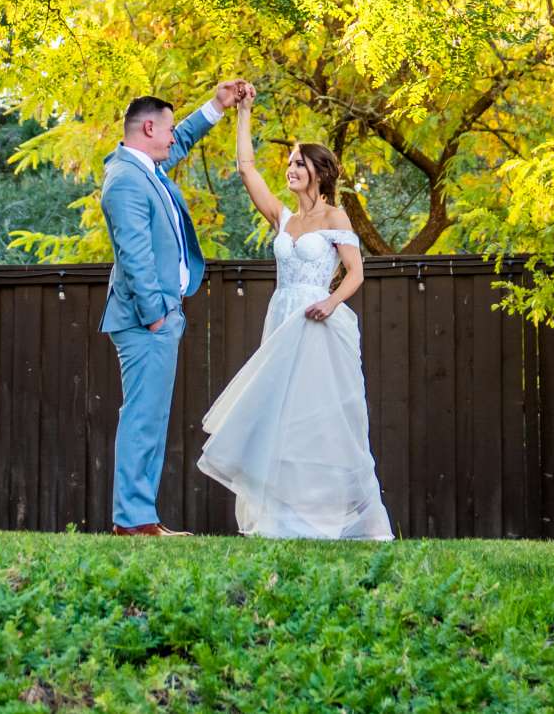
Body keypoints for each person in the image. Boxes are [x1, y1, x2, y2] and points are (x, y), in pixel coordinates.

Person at [195, 88, 393, 540]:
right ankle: (280, 521)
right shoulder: (282, 218)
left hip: (317, 322)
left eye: (299, 163)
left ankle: (328, 518)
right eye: (288, 163)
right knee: (277, 417)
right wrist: (244, 113)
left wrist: (329, 301)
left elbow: (356, 273)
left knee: (317, 419)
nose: (290, 169)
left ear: (319, 172)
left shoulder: (336, 218)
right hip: (281, 318)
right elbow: (246, 169)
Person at [99, 78, 251, 536]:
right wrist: (157, 314)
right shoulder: (126, 181)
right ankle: (134, 521)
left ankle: (140, 517)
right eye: (165, 130)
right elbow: (135, 254)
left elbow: (182, 138)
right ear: (147, 128)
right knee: (143, 418)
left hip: (159, 317)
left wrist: (218, 106)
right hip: (148, 320)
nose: (172, 138)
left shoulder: (144, 166)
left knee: (151, 416)